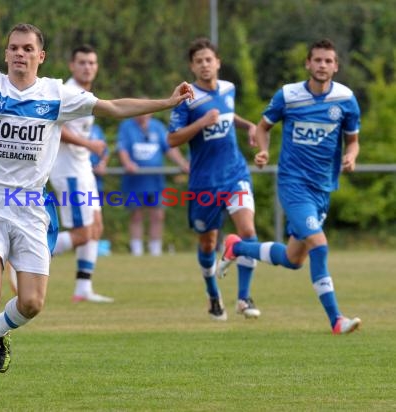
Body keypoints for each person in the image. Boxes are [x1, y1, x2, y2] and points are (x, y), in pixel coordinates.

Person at [0, 14, 193, 393]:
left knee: (31, 304)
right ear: (6, 53)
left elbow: (113, 107)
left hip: (32, 210)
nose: (19, 55)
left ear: (41, 56)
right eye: (14, 48)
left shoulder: (55, 94)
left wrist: (167, 102)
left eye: (28, 49)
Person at [217, 39, 362, 335]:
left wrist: (351, 156)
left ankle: (237, 246)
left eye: (328, 61)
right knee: (319, 247)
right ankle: (336, 320)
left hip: (323, 188)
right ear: (308, 64)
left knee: (295, 259)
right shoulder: (289, 95)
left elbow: (353, 140)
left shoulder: (346, 99)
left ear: (336, 66)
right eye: (317, 60)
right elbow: (262, 126)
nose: (322, 65)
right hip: (294, 184)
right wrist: (264, 151)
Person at [167, 38, 260, 321]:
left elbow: (228, 115)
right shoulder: (187, 97)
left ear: (218, 62)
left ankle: (244, 298)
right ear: (192, 67)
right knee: (208, 244)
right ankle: (213, 294)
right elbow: (172, 139)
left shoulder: (229, 88)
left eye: (209, 59)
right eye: (199, 61)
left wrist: (249, 125)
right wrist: (201, 123)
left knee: (248, 232)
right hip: (204, 182)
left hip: (235, 174)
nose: (205, 65)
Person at [49, 45, 113, 303]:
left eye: (92, 62)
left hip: (83, 169)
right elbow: (54, 127)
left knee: (96, 227)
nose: (88, 67)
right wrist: (89, 145)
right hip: (69, 173)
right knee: (83, 233)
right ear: (72, 65)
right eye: (82, 62)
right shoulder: (68, 92)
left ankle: (83, 289)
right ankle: (28, 252)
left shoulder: (86, 92)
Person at [117, 113, 189, 257]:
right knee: (136, 215)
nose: (143, 116)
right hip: (135, 181)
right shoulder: (126, 126)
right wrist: (127, 163)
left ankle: (155, 250)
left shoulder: (157, 126)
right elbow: (122, 148)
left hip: (155, 181)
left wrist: (182, 163)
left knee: (158, 215)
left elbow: (169, 148)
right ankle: (136, 251)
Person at [89, 123, 109, 193]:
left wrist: (102, 164)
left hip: (96, 180)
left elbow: (105, 151)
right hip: (78, 176)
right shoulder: (73, 128)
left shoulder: (96, 129)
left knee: (96, 202)